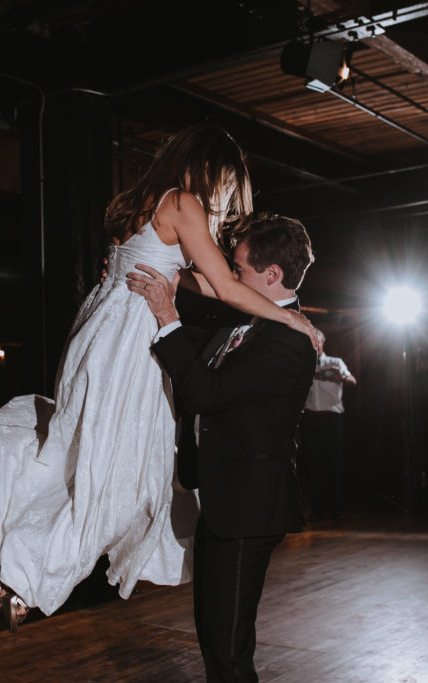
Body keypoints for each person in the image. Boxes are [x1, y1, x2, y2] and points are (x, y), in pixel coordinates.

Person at [0, 124, 319, 631]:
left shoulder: (141, 202)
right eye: (225, 185)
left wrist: (184, 282)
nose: (222, 198)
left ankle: (19, 567)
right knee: (118, 473)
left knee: (85, 455)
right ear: (208, 169)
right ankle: (25, 577)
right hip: (131, 340)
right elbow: (228, 289)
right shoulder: (183, 202)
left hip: (101, 329)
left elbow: (189, 277)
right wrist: (291, 317)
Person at [127, 212, 317, 682]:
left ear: (272, 276)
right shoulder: (244, 322)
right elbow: (187, 353)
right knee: (214, 636)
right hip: (222, 500)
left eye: (238, 269)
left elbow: (205, 393)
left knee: (228, 646)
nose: (228, 277)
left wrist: (168, 316)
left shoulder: (291, 341)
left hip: (250, 506)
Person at [301, 330, 356, 521]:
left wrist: (339, 376)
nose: (313, 344)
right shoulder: (303, 366)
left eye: (315, 340)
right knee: (313, 466)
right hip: (310, 419)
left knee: (333, 465)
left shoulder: (335, 362)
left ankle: (336, 509)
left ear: (322, 342)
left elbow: (352, 381)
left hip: (332, 419)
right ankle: (317, 511)